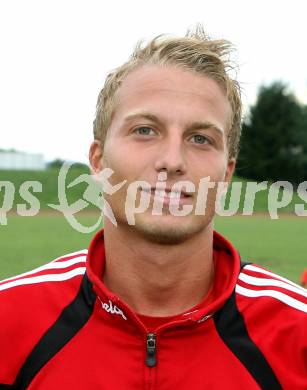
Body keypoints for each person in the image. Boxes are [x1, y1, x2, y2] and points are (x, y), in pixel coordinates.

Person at [0, 26, 306, 390]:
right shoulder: (9, 320)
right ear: (98, 161)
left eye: (200, 138)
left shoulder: (296, 334)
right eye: (145, 130)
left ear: (226, 174)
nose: (172, 160)